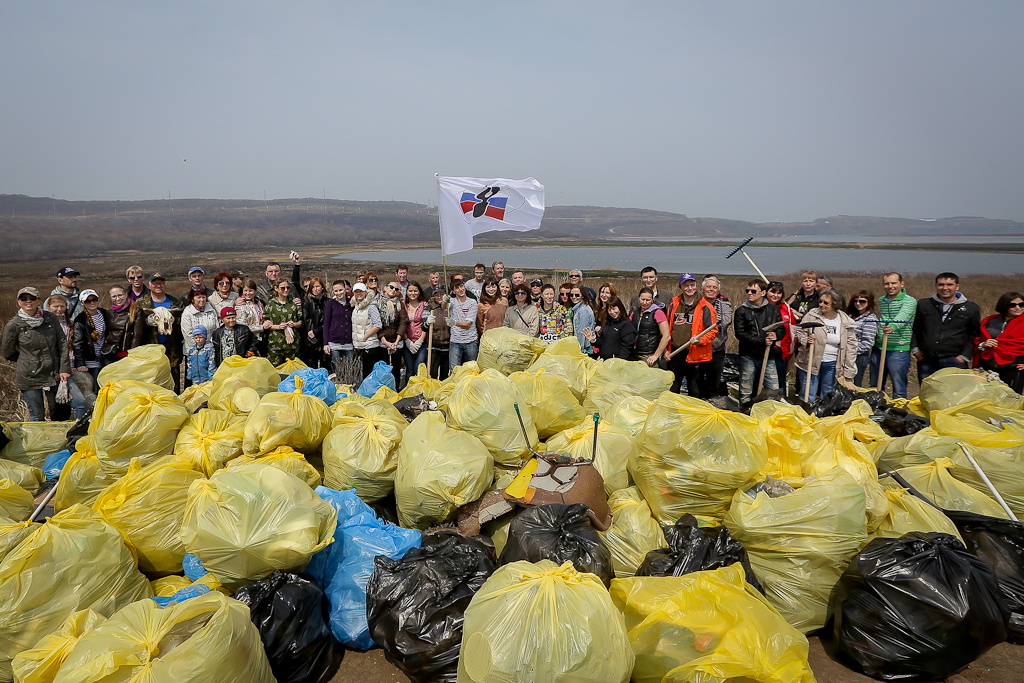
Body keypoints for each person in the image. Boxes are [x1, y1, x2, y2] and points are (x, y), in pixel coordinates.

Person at [2, 287, 70, 421]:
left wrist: (64, 368)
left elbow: (62, 343)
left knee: (59, 412)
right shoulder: (14, 325)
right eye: (24, 298)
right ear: (18, 301)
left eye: (32, 298)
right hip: (29, 377)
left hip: (53, 373)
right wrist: (28, 360)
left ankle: (60, 440)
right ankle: (40, 441)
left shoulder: (50, 318)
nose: (28, 301)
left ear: (39, 300)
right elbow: (8, 352)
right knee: (37, 416)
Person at [912, 272, 981, 382]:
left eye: (949, 284)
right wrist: (916, 350)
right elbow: (916, 328)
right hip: (927, 359)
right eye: (941, 284)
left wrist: (964, 357)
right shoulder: (924, 304)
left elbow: (974, 334)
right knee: (928, 394)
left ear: (957, 286)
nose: (945, 288)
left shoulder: (970, 308)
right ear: (936, 286)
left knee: (955, 394)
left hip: (955, 360)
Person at [794, 289, 857, 400]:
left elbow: (851, 346)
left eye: (825, 303)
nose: (821, 304)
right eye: (820, 301)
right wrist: (806, 341)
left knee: (828, 393)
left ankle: (824, 415)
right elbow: (800, 331)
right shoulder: (812, 314)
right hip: (810, 361)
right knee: (808, 393)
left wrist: (849, 368)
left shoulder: (845, 321)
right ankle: (806, 414)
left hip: (832, 363)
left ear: (835, 304)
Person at [128, 272, 183, 392]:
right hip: (150, 350)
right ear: (149, 285)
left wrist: (174, 321)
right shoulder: (141, 303)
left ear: (165, 284)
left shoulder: (176, 303)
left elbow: (182, 326)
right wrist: (145, 322)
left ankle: (175, 406)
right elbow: (132, 325)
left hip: (171, 350)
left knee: (173, 383)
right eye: (155, 283)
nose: (158, 285)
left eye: (161, 283)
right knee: (152, 384)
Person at [664, 274, 717, 397]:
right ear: (680, 287)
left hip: (695, 354)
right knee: (673, 388)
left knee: (695, 390)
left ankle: (694, 415)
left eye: (692, 285)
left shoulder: (706, 307)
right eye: (686, 286)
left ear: (696, 286)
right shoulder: (673, 304)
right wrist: (666, 349)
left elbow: (713, 331)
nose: (689, 288)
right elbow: (667, 329)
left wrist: (700, 340)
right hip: (675, 354)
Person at [734, 279, 782, 406]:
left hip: (768, 356)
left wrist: (775, 336)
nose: (749, 293)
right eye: (747, 291)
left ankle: (773, 415)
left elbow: (781, 328)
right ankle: (745, 414)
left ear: (763, 293)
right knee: (746, 391)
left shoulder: (773, 310)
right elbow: (740, 334)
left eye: (753, 291)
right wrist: (762, 340)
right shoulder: (741, 311)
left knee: (774, 389)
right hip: (748, 356)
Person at [870, 272, 916, 399]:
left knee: (898, 387)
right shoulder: (882, 300)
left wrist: (893, 327)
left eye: (893, 283)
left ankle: (898, 413)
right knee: (875, 386)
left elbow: (903, 316)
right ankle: (877, 410)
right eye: (887, 283)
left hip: (898, 349)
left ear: (902, 284)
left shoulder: (909, 301)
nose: (890, 286)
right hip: (879, 347)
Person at [44, 294, 88, 420]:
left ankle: (77, 430)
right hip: (51, 370)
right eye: (55, 306)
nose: (59, 309)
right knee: (54, 404)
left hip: (68, 368)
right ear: (48, 306)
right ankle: (57, 430)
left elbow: (72, 347)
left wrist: (73, 365)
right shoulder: (45, 324)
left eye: (62, 306)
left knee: (75, 402)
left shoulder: (70, 323)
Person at [975, 292, 1024, 394]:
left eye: (1021, 304)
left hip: (1014, 367)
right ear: (1004, 305)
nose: (1018, 308)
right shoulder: (990, 320)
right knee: (986, 396)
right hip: (988, 365)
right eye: (1013, 305)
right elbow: (978, 340)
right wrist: (983, 344)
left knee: (1010, 398)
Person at [71, 289, 113, 388]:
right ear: (82, 303)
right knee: (93, 388)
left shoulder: (104, 313)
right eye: (88, 301)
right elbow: (77, 343)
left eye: (94, 299)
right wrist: (80, 363)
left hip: (105, 357)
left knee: (106, 387)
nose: (92, 302)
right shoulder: (80, 320)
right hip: (90, 361)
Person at [180, 288, 220, 383]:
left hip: (210, 350)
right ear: (192, 299)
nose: (201, 300)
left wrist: (210, 346)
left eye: (203, 297)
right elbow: (188, 334)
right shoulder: (187, 313)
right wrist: (199, 347)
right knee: (194, 379)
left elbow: (216, 328)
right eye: (198, 297)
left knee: (210, 376)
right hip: (194, 352)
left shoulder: (211, 310)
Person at [702, 276, 732, 398]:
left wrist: (706, 325)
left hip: (717, 349)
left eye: (714, 287)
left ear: (718, 291)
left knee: (715, 382)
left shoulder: (725, 305)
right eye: (708, 287)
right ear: (702, 289)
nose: (711, 289)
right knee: (697, 381)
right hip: (699, 349)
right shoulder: (696, 305)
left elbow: (725, 322)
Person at [262, 279, 302, 366]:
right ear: (276, 288)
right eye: (283, 288)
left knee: (293, 371)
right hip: (276, 344)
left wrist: (294, 324)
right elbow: (265, 324)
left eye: (288, 287)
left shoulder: (294, 303)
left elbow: (301, 322)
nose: (286, 290)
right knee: (275, 372)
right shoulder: (271, 304)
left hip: (292, 345)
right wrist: (278, 327)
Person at [377, 279, 409, 388]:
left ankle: (395, 391)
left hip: (396, 342)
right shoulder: (378, 303)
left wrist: (396, 341)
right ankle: (383, 390)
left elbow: (403, 322)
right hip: (383, 341)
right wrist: (385, 341)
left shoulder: (400, 305)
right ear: (385, 287)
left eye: (396, 289)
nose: (393, 290)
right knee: (383, 369)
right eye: (391, 287)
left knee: (396, 369)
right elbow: (377, 323)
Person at [766, 281, 793, 397]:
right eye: (772, 292)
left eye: (779, 293)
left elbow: (791, 330)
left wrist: (790, 349)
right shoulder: (760, 307)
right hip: (764, 349)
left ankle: (781, 402)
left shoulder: (786, 308)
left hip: (782, 351)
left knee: (780, 379)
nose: (775, 295)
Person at [846, 289, 879, 387]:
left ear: (869, 303)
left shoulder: (871, 320)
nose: (858, 303)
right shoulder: (850, 315)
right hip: (845, 355)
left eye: (862, 301)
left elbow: (867, 343)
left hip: (859, 357)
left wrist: (851, 351)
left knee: (855, 384)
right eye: (855, 301)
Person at [630, 287, 670, 367]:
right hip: (633, 353)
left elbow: (666, 336)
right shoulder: (634, 313)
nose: (644, 302)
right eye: (642, 299)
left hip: (649, 355)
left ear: (652, 300)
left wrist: (655, 356)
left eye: (648, 300)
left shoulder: (658, 313)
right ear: (639, 298)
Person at [351, 282, 384, 378]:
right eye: (356, 292)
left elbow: (378, 325)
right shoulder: (356, 306)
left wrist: (365, 336)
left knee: (368, 374)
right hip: (359, 345)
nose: (358, 294)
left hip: (369, 345)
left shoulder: (371, 306)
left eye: (361, 291)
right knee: (359, 373)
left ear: (366, 292)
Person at [401, 282, 428, 387]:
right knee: (409, 369)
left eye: (415, 291)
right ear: (407, 292)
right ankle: (409, 391)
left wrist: (420, 341)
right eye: (410, 291)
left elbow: (426, 324)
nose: (413, 293)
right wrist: (407, 341)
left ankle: (419, 391)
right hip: (407, 340)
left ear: (419, 292)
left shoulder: (424, 305)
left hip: (420, 341)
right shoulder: (402, 305)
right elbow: (401, 323)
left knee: (419, 368)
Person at [323, 280, 354, 372]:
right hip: (334, 343)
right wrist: (325, 343)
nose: (338, 293)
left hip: (349, 343)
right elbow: (326, 323)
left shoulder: (352, 303)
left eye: (340, 290)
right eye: (336, 291)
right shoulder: (331, 303)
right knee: (337, 371)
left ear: (345, 289)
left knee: (349, 370)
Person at [448, 277, 479, 368]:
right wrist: (444, 301)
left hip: (470, 341)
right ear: (453, 291)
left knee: (471, 370)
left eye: (461, 286)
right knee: (454, 370)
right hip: (455, 341)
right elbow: (444, 307)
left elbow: (468, 325)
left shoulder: (472, 303)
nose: (460, 289)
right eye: (457, 288)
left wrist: (455, 323)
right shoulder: (452, 301)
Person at [235, 279, 265, 355]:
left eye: (250, 291)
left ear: (256, 291)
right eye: (245, 291)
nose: (247, 293)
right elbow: (243, 328)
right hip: (249, 342)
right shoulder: (240, 306)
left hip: (262, 339)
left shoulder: (260, 303)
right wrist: (262, 327)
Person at [302, 277, 327, 368]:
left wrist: (322, 341)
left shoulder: (328, 302)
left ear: (322, 287)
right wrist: (316, 342)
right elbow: (307, 322)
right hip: (311, 342)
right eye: (313, 287)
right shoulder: (307, 302)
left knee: (325, 368)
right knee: (312, 367)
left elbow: (328, 322)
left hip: (325, 340)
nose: (315, 289)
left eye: (317, 286)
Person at [427, 286, 450, 380]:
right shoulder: (430, 307)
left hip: (448, 346)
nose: (439, 297)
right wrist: (427, 322)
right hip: (434, 347)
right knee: (432, 373)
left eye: (442, 294)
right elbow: (423, 327)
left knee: (445, 375)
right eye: (437, 295)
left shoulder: (450, 308)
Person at [105, 285, 133, 360]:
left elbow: (138, 336)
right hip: (110, 354)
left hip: (128, 355)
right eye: (114, 296)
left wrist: (133, 354)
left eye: (120, 295)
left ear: (126, 294)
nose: (117, 299)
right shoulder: (108, 313)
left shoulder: (135, 311)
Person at [570, 285, 596, 355]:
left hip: (584, 349)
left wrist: (579, 350)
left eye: (577, 295)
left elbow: (582, 332)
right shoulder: (578, 309)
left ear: (583, 296)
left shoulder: (583, 310)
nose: (574, 297)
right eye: (571, 295)